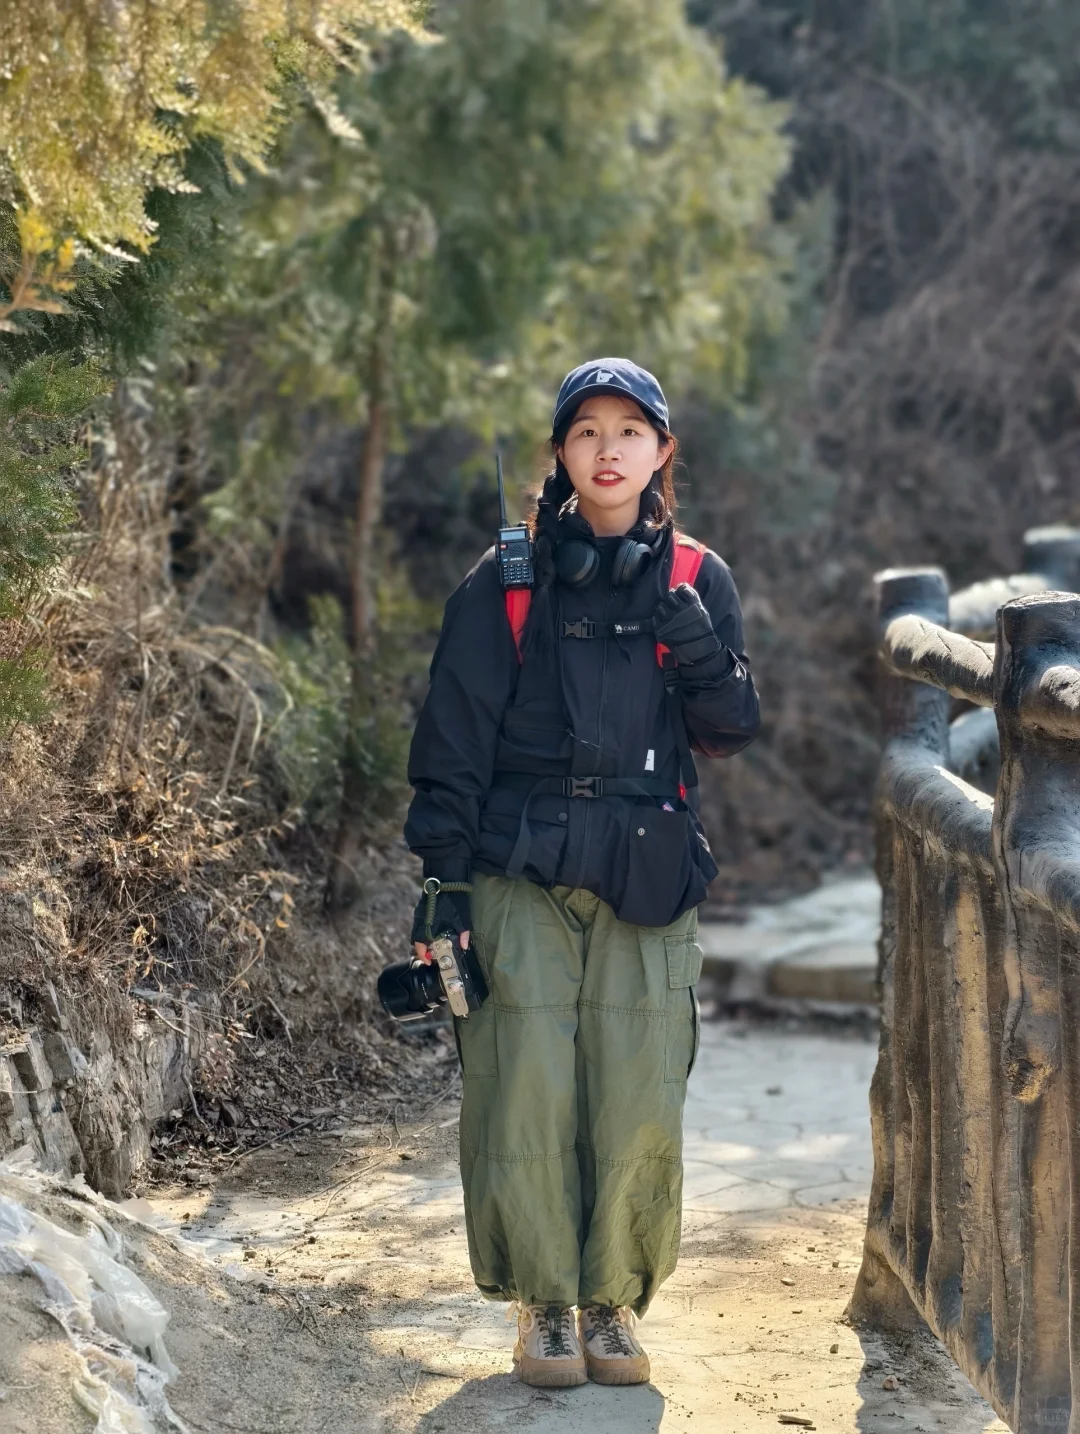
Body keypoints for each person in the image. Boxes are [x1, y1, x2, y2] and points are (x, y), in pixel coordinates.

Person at [404, 357, 760, 1389]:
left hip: (646, 872)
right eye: (587, 431)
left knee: (640, 1091)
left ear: (662, 453)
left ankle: (613, 1306)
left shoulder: (698, 578)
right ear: (560, 453)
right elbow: (453, 740)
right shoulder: (504, 582)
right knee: (524, 1087)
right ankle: (544, 1307)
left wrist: (697, 649)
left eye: (630, 432)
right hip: (518, 867)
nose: (609, 451)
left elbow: (733, 728)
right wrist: (444, 886)